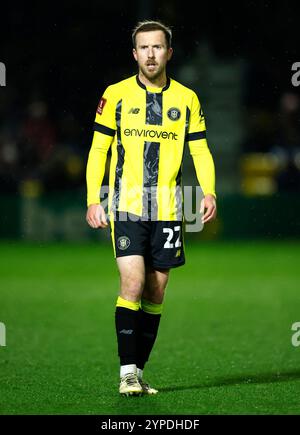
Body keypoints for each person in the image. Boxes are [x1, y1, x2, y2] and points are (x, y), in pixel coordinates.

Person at [86, 20, 217, 396]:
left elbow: (200, 149)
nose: (150, 54)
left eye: (157, 47)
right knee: (133, 282)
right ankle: (126, 373)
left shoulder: (187, 98)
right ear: (134, 53)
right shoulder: (116, 95)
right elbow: (98, 150)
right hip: (126, 206)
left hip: (169, 209)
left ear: (169, 52)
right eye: (143, 48)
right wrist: (94, 198)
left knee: (156, 293)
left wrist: (208, 191)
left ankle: (139, 372)